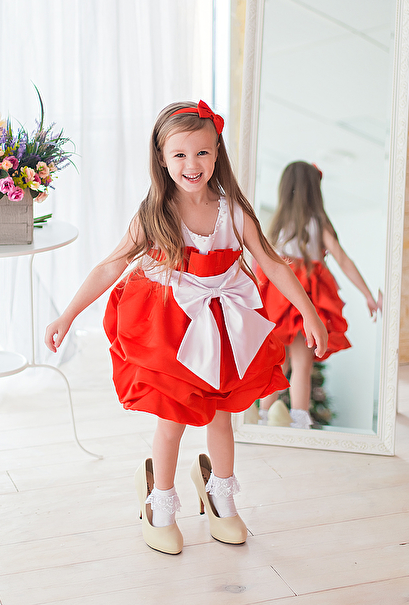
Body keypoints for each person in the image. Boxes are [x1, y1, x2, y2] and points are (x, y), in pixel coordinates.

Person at [44, 102, 327, 555]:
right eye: (179, 154)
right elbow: (110, 266)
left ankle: (222, 497)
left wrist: (309, 312)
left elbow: (272, 263)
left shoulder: (233, 211)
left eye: (202, 153)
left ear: (217, 154)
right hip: (172, 328)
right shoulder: (155, 213)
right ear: (161, 157)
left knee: (222, 415)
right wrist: (67, 315)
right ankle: (160, 501)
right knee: (173, 419)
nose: (192, 164)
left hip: (223, 326)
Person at [257, 161, 378, 430]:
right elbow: (343, 260)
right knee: (302, 364)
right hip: (306, 298)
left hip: (279, 299)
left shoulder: (276, 226)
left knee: (279, 363)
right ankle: (300, 421)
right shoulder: (317, 223)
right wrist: (368, 294)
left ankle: (263, 419)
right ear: (313, 190)